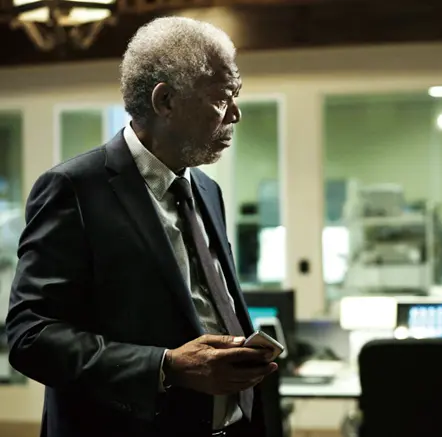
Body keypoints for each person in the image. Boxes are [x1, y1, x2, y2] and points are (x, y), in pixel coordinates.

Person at [6, 17, 277, 437]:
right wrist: (165, 367)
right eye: (223, 98)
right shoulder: (74, 188)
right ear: (165, 100)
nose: (236, 114)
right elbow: (31, 336)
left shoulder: (207, 190)